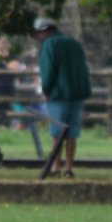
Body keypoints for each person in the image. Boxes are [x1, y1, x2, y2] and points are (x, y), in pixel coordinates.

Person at [33, 17, 91, 178]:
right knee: (72, 133)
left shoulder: (49, 45)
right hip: (77, 93)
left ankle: (55, 166)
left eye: (39, 33)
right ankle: (69, 168)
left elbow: (47, 70)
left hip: (59, 94)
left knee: (57, 132)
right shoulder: (73, 43)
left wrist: (46, 89)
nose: (38, 36)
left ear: (45, 31)